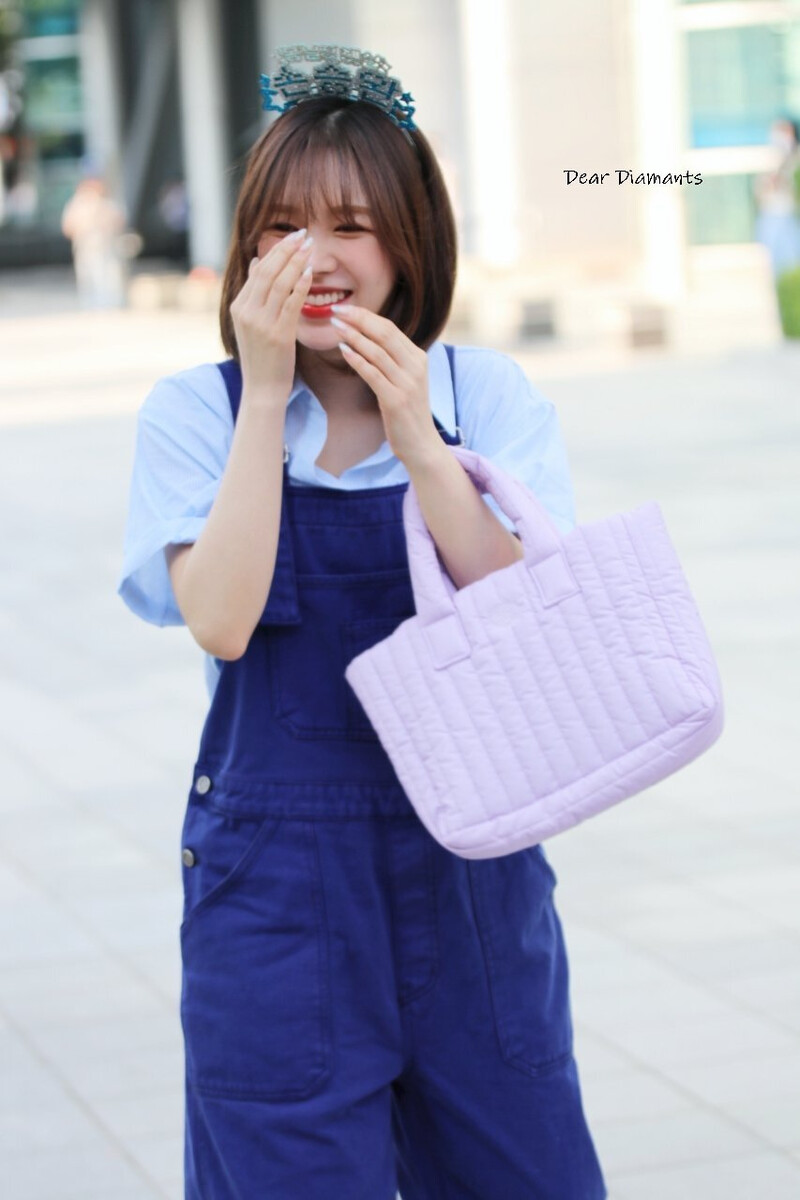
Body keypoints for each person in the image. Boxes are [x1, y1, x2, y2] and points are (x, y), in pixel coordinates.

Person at [117, 43, 607, 1200]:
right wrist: (270, 392)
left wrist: (413, 435)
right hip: (275, 893)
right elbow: (222, 621)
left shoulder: (481, 395)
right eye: (282, 224)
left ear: (408, 239)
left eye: (349, 222)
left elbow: (522, 610)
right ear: (245, 246)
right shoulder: (199, 411)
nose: (314, 256)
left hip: (470, 879)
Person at [61, 168, 128, 308]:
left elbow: (119, 221)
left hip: (106, 244)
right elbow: (68, 226)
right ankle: (91, 304)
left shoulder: (107, 203)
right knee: (88, 275)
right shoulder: (77, 204)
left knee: (109, 275)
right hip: (85, 245)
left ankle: (111, 303)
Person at [754, 116, 800, 281]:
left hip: (788, 215)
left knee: (792, 261)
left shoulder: (794, 157)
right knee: (775, 266)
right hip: (771, 214)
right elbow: (761, 190)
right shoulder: (771, 156)